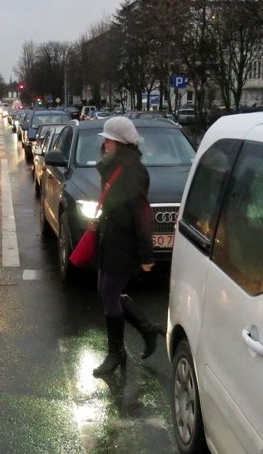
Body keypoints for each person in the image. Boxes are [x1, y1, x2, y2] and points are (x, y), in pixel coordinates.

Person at [91, 116, 164, 377]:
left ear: (120, 142)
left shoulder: (132, 169)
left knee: (109, 294)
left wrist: (146, 254)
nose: (104, 144)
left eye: (108, 140)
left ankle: (116, 353)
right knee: (105, 291)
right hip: (111, 237)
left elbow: (141, 212)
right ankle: (146, 328)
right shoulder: (114, 164)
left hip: (125, 243)